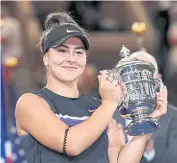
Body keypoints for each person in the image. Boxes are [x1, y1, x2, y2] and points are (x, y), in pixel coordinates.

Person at [15, 12, 168, 163]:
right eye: (62, 50)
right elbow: (71, 144)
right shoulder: (30, 103)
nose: (71, 59)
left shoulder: (99, 108)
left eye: (78, 52)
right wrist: (109, 103)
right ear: (46, 58)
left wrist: (145, 122)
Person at [112, 50, 177, 163]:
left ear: (157, 79)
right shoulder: (109, 117)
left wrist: (149, 148)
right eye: (134, 75)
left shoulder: (173, 117)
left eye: (145, 75)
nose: (139, 83)